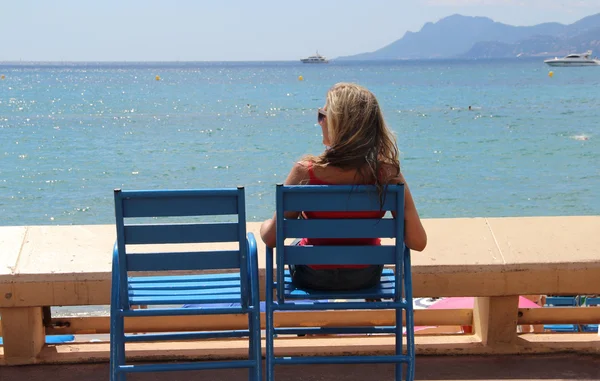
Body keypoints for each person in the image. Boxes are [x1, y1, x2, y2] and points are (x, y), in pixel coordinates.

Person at [260, 82, 427, 291]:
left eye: (322, 115)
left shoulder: (305, 172)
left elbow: (271, 238)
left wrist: (265, 224)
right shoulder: (387, 174)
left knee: (297, 246)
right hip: (366, 276)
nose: (319, 122)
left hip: (314, 276)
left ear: (339, 125)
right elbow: (418, 242)